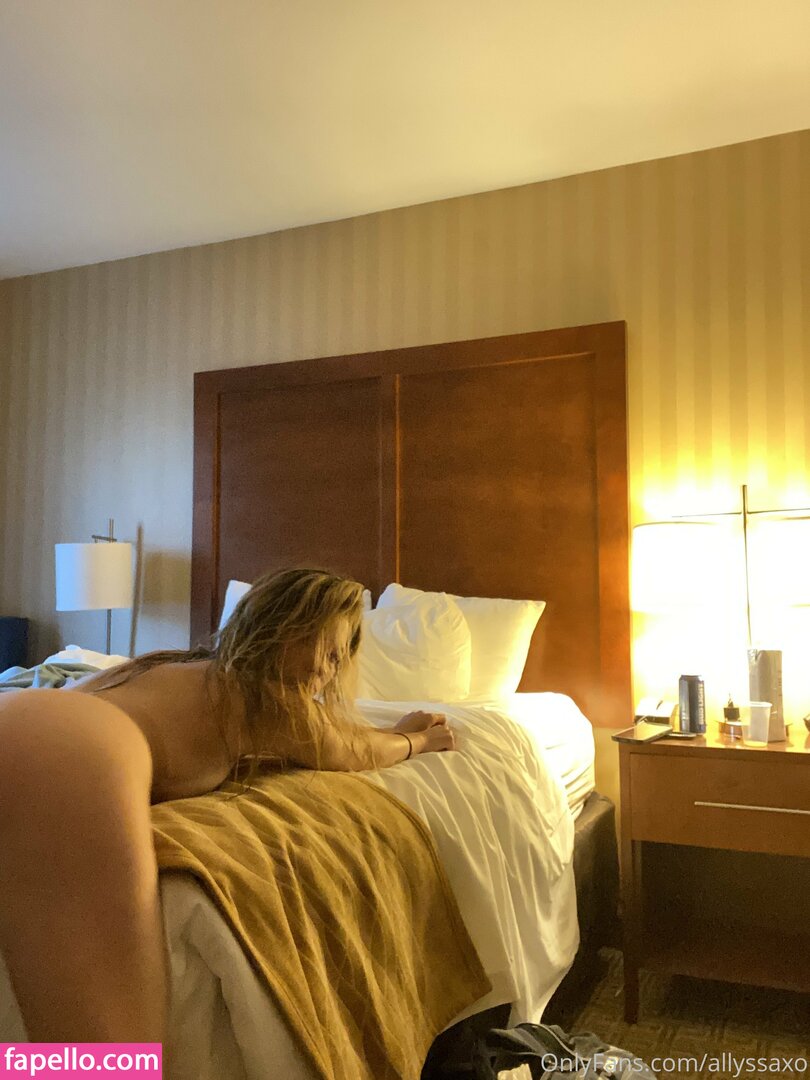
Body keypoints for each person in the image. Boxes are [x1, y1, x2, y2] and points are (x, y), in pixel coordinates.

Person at [0, 567, 455, 1046]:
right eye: (326, 650)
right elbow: (352, 752)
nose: (328, 671)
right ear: (285, 629)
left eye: (338, 659)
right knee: (109, 1054)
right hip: (78, 745)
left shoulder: (178, 665)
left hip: (26, 713)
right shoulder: (271, 698)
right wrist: (416, 739)